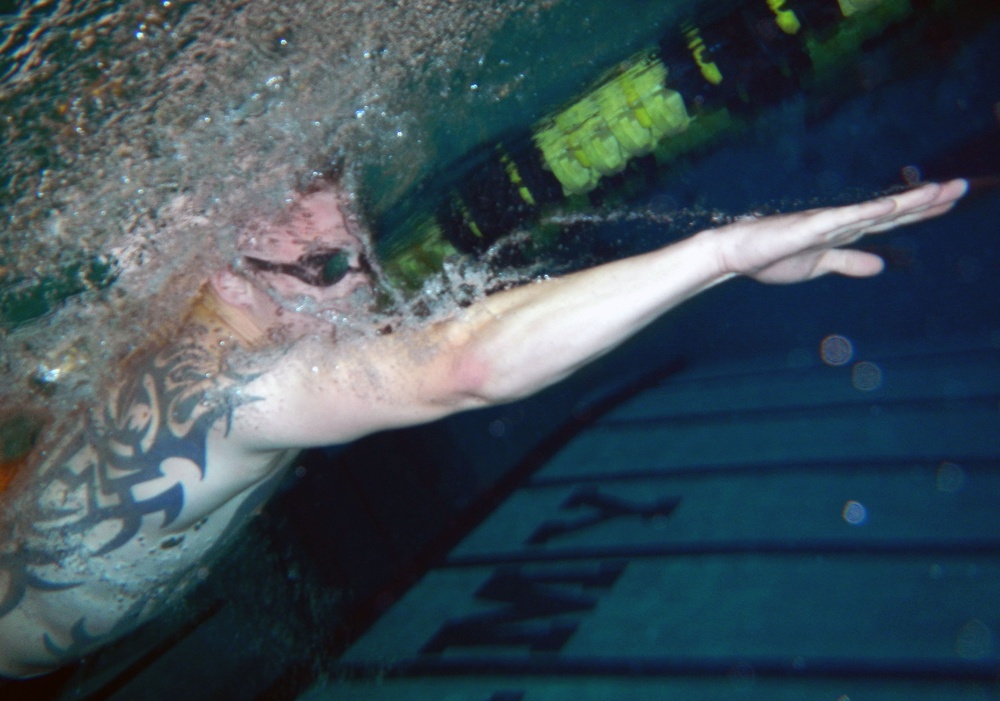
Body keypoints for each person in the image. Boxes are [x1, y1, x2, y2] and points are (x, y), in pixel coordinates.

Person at [0, 178, 968, 679]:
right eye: (333, 263)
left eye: (362, 253)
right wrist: (719, 253)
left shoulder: (205, 318)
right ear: (222, 273)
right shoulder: (234, 386)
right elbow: (459, 365)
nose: (365, 286)